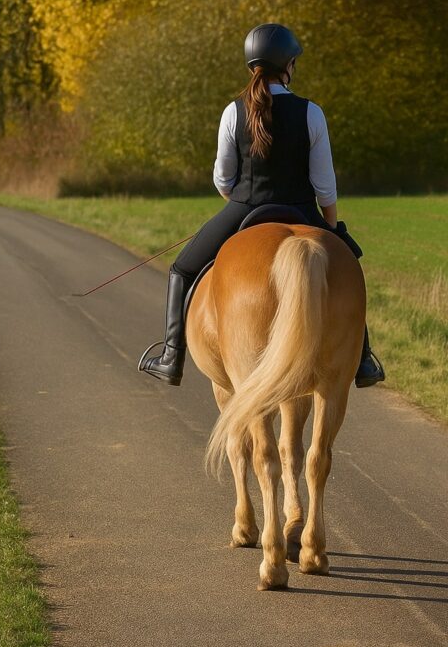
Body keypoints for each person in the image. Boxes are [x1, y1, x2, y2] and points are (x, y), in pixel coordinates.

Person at [139, 23, 385, 388]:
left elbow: (223, 179)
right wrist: (331, 228)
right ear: (288, 65)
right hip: (303, 211)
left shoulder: (233, 112)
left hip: (243, 208)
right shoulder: (311, 113)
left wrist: (240, 202)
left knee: (181, 270)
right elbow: (325, 186)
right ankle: (362, 360)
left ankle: (171, 357)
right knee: (348, 266)